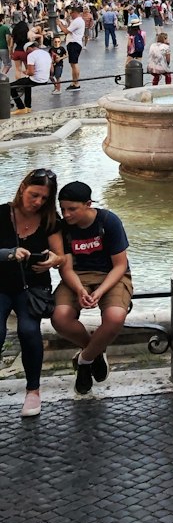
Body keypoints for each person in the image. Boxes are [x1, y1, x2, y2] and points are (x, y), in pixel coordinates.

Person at [53, 180, 132, 396]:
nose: (66, 214)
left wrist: (99, 292)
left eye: (72, 209)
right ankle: (96, 351)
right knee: (60, 317)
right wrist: (80, 290)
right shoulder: (63, 228)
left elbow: (120, 265)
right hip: (76, 276)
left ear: (88, 204)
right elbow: (65, 268)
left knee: (115, 317)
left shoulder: (108, 221)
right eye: (63, 209)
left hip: (111, 276)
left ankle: (85, 360)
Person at [0, 167, 63, 416]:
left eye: (44, 198)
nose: (38, 202)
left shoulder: (51, 221)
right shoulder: (2, 213)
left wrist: (53, 260)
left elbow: (61, 256)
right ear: (22, 188)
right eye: (34, 195)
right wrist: (8, 254)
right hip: (1, 284)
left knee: (28, 330)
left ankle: (33, 390)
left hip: (33, 287)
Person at [58, 5, 86, 89]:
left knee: (74, 64)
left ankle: (76, 83)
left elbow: (66, 31)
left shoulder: (77, 21)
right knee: (73, 64)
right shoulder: (78, 21)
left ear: (75, 13)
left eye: (71, 13)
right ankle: (74, 82)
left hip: (74, 43)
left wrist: (59, 24)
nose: (70, 15)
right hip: (74, 43)